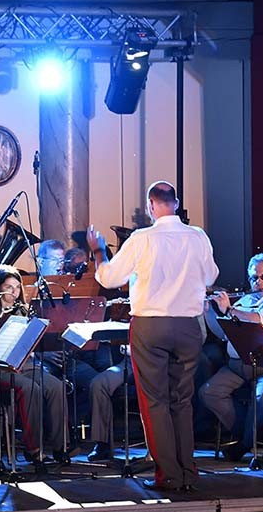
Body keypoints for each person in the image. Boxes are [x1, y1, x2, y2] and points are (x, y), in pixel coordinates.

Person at [87, 181, 219, 492]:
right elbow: (211, 276)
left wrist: (98, 251)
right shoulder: (198, 236)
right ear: (176, 203)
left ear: (150, 206)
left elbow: (109, 278)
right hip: (188, 326)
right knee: (182, 401)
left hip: (151, 326)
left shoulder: (142, 238)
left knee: (155, 402)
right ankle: (188, 471)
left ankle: (169, 475)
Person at [198, 253, 263, 461]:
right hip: (239, 365)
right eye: (254, 278)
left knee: (260, 398)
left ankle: (246, 443)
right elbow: (223, 333)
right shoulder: (247, 300)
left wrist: (229, 309)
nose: (259, 282)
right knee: (209, 393)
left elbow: (259, 321)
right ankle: (255, 435)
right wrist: (208, 311)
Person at [0, 264, 68, 465]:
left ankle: (61, 446)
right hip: (0, 369)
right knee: (30, 389)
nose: (14, 292)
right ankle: (33, 449)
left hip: (26, 365)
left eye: (17, 287)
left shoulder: (23, 312)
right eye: (9, 287)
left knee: (56, 386)